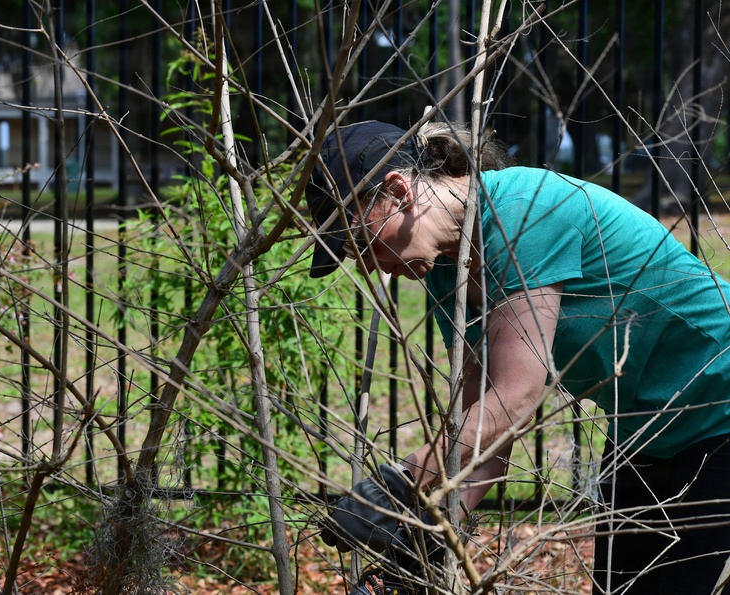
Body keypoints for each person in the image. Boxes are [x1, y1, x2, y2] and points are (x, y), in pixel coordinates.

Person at [305, 119, 730, 595]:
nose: (365, 265)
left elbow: (515, 395)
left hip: (721, 401)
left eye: (362, 242)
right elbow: (484, 431)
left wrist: (396, 486)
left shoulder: (523, 209)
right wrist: (423, 546)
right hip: (645, 430)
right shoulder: (450, 277)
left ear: (398, 190)